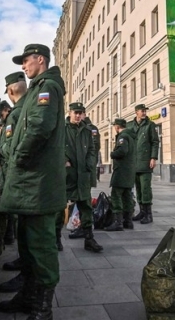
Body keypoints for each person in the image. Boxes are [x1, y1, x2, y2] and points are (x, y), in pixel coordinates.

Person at [0, 43, 66, 320]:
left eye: (26, 61)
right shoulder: (37, 88)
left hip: (38, 183)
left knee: (41, 245)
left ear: (40, 59)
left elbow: (39, 127)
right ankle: (27, 296)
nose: (23, 67)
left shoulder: (48, 87)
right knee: (26, 241)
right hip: (30, 183)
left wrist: (18, 159)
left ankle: (43, 308)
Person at [0, 72, 28, 294]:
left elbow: (12, 145)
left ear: (11, 91)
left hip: (16, 172)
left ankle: (27, 274)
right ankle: (23, 264)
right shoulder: (13, 116)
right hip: (11, 171)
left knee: (20, 219)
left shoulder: (14, 116)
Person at [55, 103, 103, 253]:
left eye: (80, 113)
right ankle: (56, 238)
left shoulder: (87, 130)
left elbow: (92, 149)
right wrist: (63, 160)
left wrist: (89, 164)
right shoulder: (61, 128)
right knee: (59, 207)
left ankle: (89, 238)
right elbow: (55, 146)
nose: (78, 115)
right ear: (69, 112)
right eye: (75, 112)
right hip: (67, 174)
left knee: (86, 206)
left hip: (82, 174)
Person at [129, 104, 159, 225]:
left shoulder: (150, 125)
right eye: (142, 111)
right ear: (136, 112)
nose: (144, 113)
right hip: (134, 163)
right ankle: (141, 211)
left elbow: (155, 142)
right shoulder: (130, 126)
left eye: (145, 111)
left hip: (145, 162)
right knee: (138, 188)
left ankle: (148, 214)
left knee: (145, 188)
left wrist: (153, 157)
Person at [105, 118, 136, 232]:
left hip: (121, 171)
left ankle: (118, 222)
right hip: (129, 171)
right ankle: (128, 221)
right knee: (127, 196)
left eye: (114, 127)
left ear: (117, 127)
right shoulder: (131, 137)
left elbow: (122, 151)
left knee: (116, 195)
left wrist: (112, 154)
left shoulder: (123, 137)